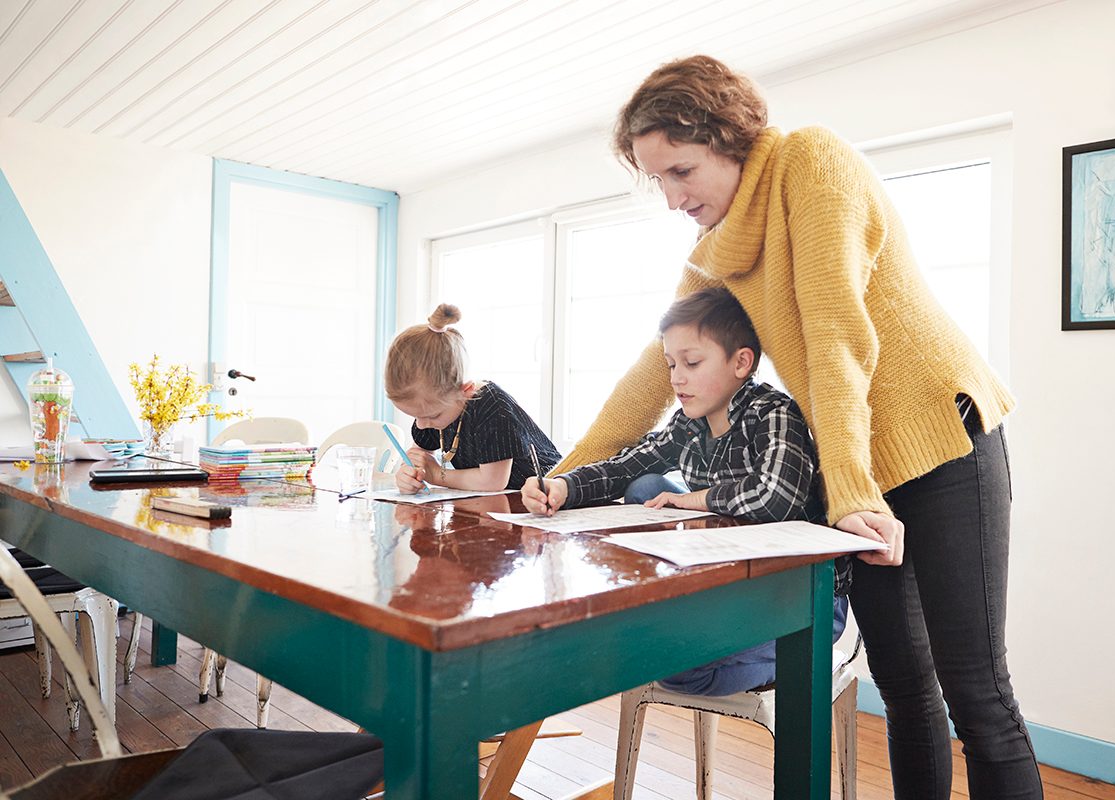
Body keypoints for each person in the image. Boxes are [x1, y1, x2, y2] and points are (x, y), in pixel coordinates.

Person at [553, 56, 1039, 799]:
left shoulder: (811, 161)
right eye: (659, 180)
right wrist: (567, 474)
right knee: (904, 689)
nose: (673, 197)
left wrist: (848, 491)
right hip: (863, 472)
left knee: (977, 694)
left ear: (728, 137)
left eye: (682, 171)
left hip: (945, 446)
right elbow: (652, 371)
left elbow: (836, 334)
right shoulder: (720, 247)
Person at [522, 287, 847, 696]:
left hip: (799, 599)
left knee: (678, 669)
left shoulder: (774, 413)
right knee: (646, 485)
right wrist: (562, 486)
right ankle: (672, 619)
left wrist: (696, 498)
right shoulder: (689, 423)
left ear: (741, 362)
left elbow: (777, 498)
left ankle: (802, 653)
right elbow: (627, 466)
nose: (676, 378)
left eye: (692, 363)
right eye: (671, 364)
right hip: (733, 588)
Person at [385, 303, 560, 494]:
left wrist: (435, 475)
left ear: (466, 390)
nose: (421, 425)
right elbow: (419, 455)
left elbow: (492, 482)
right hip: (495, 504)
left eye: (432, 416)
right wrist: (410, 474)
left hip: (544, 496)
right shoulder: (433, 410)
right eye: (415, 416)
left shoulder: (494, 408)